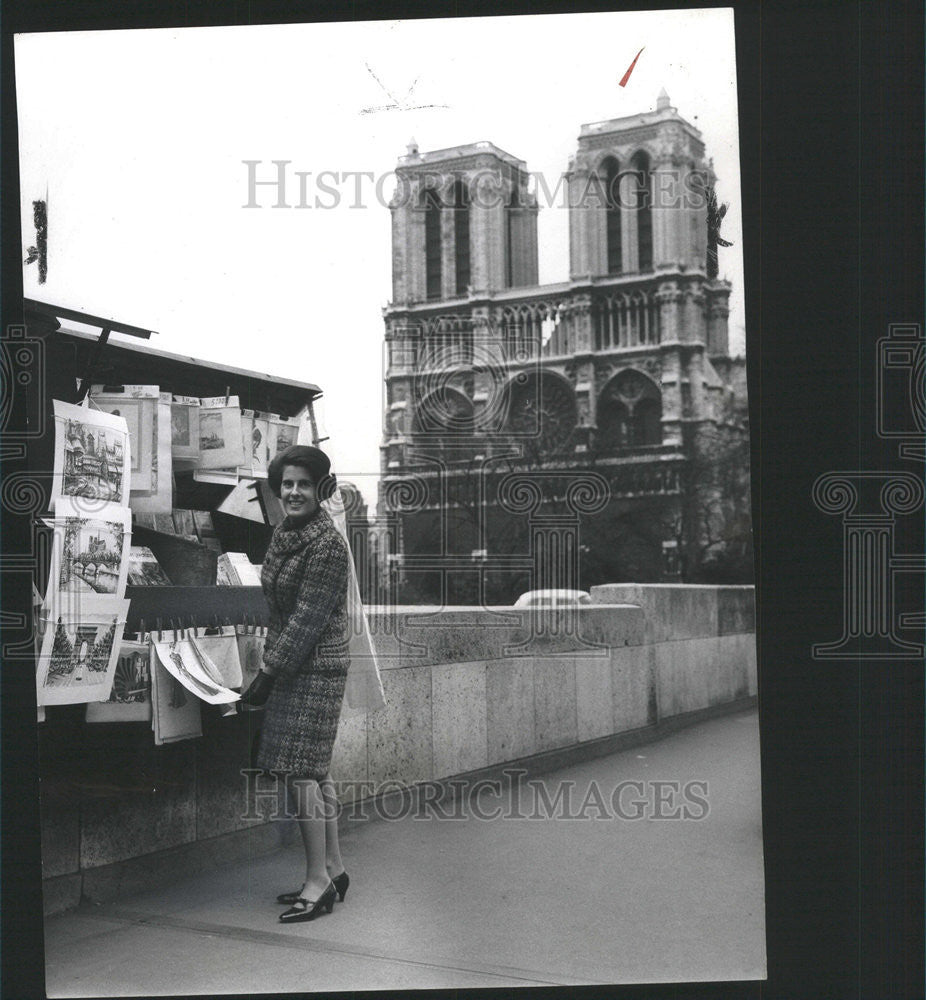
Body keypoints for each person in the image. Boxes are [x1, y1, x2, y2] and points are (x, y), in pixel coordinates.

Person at [239, 444, 351, 924]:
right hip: (295, 663)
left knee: (301, 771)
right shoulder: (287, 533)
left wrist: (266, 674)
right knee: (314, 770)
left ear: (321, 489)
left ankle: (317, 883)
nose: (294, 491)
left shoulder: (326, 543)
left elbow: (306, 620)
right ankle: (334, 867)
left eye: (304, 483)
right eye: (287, 483)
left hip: (316, 667)